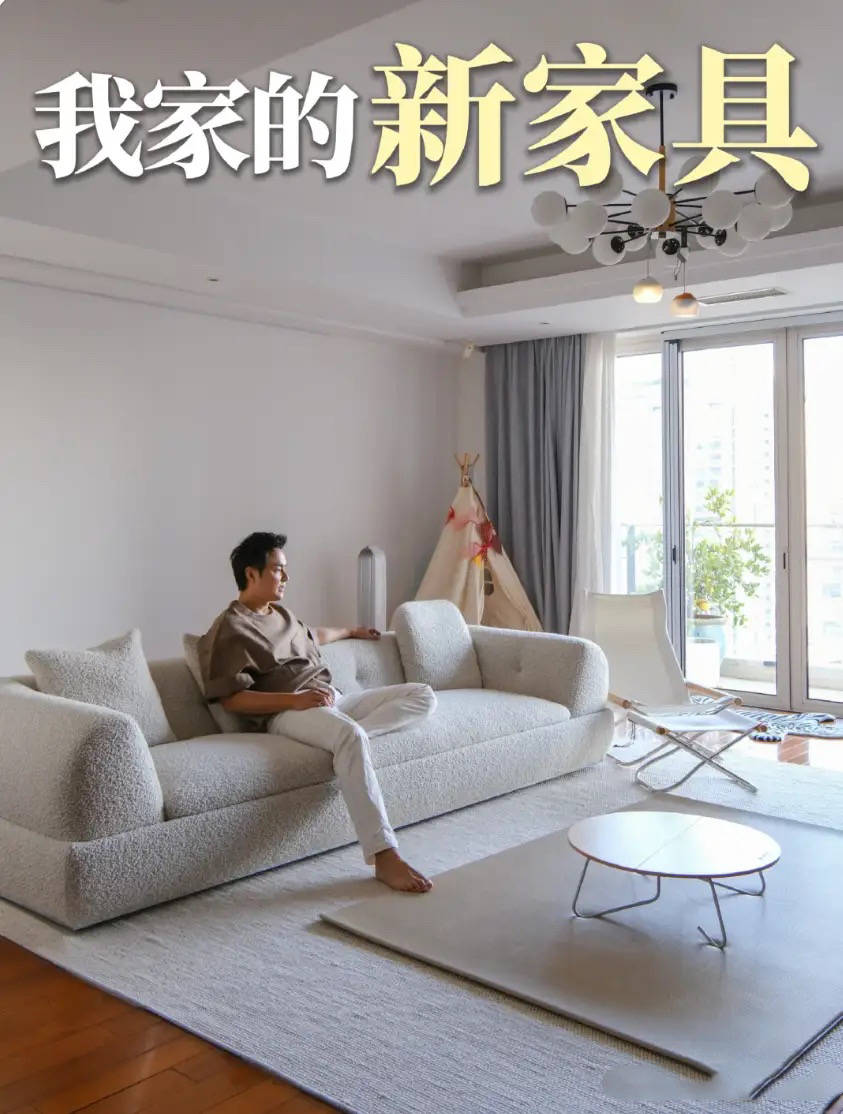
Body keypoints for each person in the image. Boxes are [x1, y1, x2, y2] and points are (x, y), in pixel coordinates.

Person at [197, 532, 436, 893]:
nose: (286, 577)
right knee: (349, 735)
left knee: (422, 696)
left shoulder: (281, 614)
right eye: (278, 569)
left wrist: (352, 630)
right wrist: (294, 701)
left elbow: (315, 635)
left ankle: (349, 745)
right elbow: (232, 700)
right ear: (251, 574)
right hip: (289, 711)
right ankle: (384, 855)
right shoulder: (231, 628)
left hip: (330, 699)